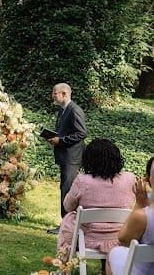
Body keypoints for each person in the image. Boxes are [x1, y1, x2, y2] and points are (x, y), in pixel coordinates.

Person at [56, 138, 135, 258]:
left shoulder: (83, 181)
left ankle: (64, 260)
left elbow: (68, 206)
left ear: (88, 160)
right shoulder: (129, 179)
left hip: (88, 240)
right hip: (121, 238)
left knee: (69, 218)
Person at [107, 154, 154, 275]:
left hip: (147, 271)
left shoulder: (143, 216)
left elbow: (124, 241)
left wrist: (139, 206)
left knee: (114, 253)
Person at [45, 83, 87, 234]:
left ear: (64, 94)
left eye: (55, 93)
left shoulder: (74, 110)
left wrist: (60, 140)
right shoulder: (63, 110)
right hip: (65, 157)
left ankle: (66, 226)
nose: (53, 95)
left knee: (67, 190)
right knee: (65, 188)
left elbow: (81, 133)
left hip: (72, 158)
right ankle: (68, 224)